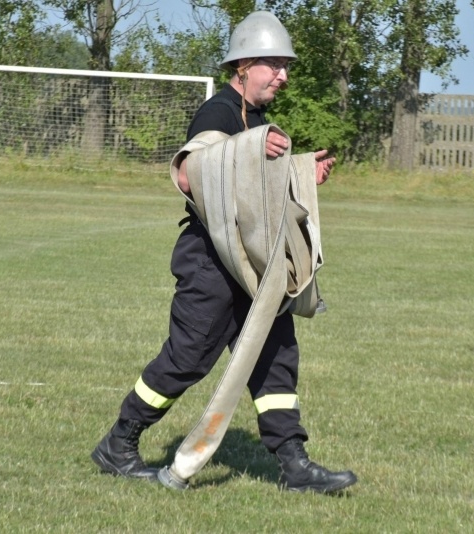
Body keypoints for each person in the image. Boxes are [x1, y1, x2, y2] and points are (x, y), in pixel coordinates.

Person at [91, 10, 357, 495]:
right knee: (187, 358)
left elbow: (255, 191)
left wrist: (299, 173)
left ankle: (294, 465)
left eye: (285, 66)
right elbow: (191, 175)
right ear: (244, 66)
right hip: (210, 261)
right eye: (273, 65)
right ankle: (118, 443)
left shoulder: (256, 119)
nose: (283, 75)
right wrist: (254, 150)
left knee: (276, 356)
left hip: (254, 264)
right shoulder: (217, 112)